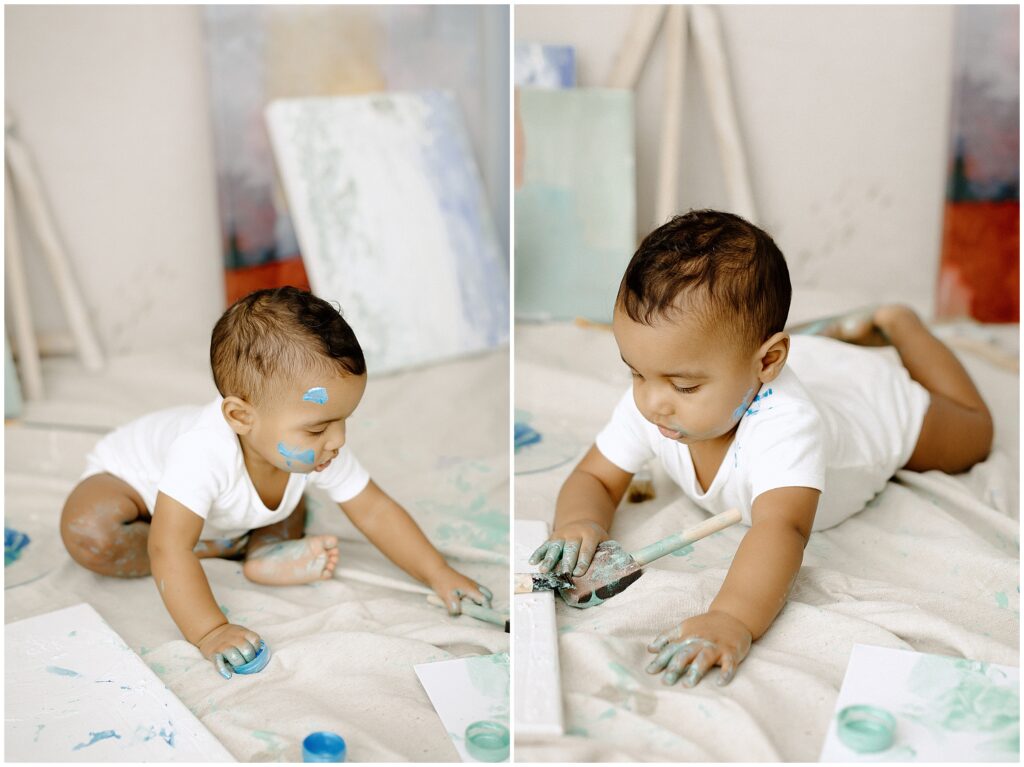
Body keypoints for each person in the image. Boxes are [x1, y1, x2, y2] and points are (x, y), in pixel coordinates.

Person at [529, 209, 993, 688]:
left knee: (974, 437)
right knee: (730, 349)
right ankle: (828, 336)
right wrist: (578, 522)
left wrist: (731, 618)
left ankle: (897, 322)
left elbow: (781, 528)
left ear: (768, 362)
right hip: (792, 369)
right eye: (635, 372)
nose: (651, 402)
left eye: (684, 386)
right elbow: (594, 477)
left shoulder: (789, 426)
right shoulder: (656, 397)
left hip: (872, 409)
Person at [61, 286, 492, 679]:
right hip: (134, 487)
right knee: (89, 531)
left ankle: (258, 550)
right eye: (319, 428)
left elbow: (374, 509)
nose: (338, 441)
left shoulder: (315, 451)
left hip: (225, 510)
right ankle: (225, 545)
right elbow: (166, 548)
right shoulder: (199, 452)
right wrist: (211, 631)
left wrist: (438, 572)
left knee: (295, 495)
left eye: (344, 421)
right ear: (240, 417)